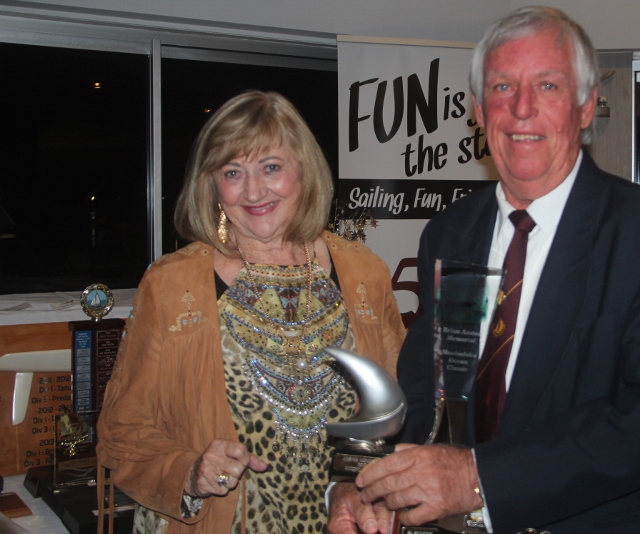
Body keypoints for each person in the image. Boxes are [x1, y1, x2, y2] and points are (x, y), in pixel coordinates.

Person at [327, 6, 640, 534]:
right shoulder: (450, 233)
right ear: (477, 109)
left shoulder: (632, 232)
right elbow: (424, 394)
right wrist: (364, 487)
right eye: (501, 87)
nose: (521, 108)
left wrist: (480, 478)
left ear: (586, 106)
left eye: (547, 86)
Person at [97, 90, 406, 533]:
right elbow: (122, 432)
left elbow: (399, 408)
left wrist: (367, 481)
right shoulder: (170, 286)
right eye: (232, 172)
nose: (254, 190)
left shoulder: (365, 273)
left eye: (271, 167)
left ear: (304, 170)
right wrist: (190, 472)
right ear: (212, 184)